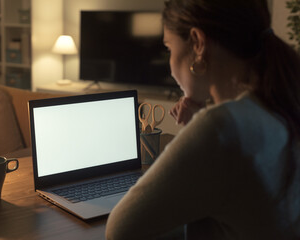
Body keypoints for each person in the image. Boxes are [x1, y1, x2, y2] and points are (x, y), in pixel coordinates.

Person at [105, 0, 300, 239]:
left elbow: (120, 230)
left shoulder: (222, 126)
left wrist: (198, 127)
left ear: (197, 43)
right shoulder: (281, 104)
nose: (170, 62)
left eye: (169, 48)